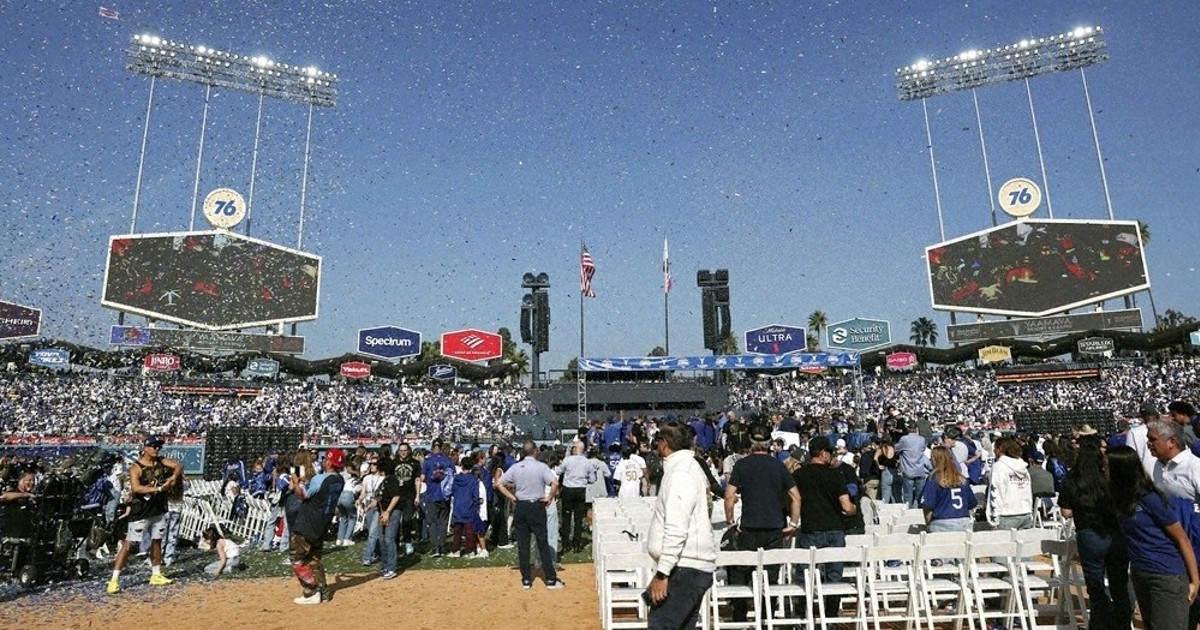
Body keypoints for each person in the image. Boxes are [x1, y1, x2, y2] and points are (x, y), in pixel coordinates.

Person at [1107, 445, 1200, 629]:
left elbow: (1182, 539)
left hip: (1166, 576)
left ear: (1120, 470)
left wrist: (1195, 580)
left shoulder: (1150, 498)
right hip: (1141, 574)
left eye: (1106, 466)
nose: (1103, 470)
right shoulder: (1121, 500)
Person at [724, 424, 801, 623]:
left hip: (749, 527)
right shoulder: (778, 465)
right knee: (771, 577)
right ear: (769, 444)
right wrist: (793, 523)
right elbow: (795, 496)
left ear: (750, 443)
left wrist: (731, 522)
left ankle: (739, 615)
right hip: (774, 528)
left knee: (740, 572)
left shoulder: (742, 465)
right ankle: (767, 618)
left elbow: (729, 496)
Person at [646, 420, 718, 630]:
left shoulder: (681, 473)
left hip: (685, 566)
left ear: (665, 443)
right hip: (688, 565)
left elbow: (677, 528)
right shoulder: (688, 467)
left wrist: (662, 573)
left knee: (661, 625)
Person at [1057, 434, 1131, 630]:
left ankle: (1101, 624)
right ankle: (1123, 624)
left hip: (1088, 533)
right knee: (1119, 584)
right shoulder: (1107, 474)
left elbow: (1066, 512)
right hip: (1114, 532)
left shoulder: (1072, 478)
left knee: (1095, 586)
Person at [106, 436, 183, 595]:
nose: (157, 449)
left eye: (158, 447)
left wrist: (172, 478)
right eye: (154, 446)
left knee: (157, 541)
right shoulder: (137, 467)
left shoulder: (161, 461)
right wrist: (160, 489)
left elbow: (178, 466)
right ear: (146, 448)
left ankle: (156, 574)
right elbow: (136, 488)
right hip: (141, 510)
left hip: (158, 508)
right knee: (129, 544)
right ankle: (114, 579)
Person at [792, 435, 855, 615]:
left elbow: (791, 501)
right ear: (822, 453)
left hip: (810, 528)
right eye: (829, 452)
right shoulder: (834, 474)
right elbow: (846, 505)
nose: (831, 456)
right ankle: (831, 616)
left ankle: (803, 616)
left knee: (804, 575)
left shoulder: (799, 475)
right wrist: (852, 510)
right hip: (834, 528)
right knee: (834, 576)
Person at [495, 441, 564, 589]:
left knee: (523, 545)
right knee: (542, 543)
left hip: (521, 506)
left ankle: (526, 579)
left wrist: (512, 497)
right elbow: (555, 483)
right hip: (537, 506)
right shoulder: (541, 467)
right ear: (535, 451)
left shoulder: (516, 467)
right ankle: (550, 579)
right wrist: (550, 497)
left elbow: (499, 483)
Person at [290, 448, 347, 605]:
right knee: (314, 559)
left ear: (328, 462)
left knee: (297, 559)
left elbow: (303, 495)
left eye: (324, 459)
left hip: (307, 522)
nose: (322, 461)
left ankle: (312, 590)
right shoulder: (340, 480)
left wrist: (295, 482)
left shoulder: (320, 478)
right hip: (322, 524)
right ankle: (324, 592)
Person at [921, 446, 977, 533]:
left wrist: (929, 525)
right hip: (964, 523)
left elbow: (928, 506)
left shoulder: (934, 479)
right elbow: (972, 503)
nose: (929, 460)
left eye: (931, 457)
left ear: (936, 459)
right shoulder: (962, 478)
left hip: (941, 523)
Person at [986, 436, 1033, 530]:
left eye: (995, 448)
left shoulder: (998, 467)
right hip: (1025, 513)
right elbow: (1028, 492)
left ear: (1000, 449)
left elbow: (996, 494)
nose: (994, 451)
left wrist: (993, 520)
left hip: (1007, 515)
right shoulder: (1023, 467)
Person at [557, 440, 596, 553]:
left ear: (575, 449)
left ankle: (565, 544)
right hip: (580, 489)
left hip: (568, 489)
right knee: (578, 518)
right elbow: (593, 479)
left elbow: (559, 471)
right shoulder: (587, 462)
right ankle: (577, 544)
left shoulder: (568, 460)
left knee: (566, 518)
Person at [421, 438, 454, 558]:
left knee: (432, 522)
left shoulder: (428, 461)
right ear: (441, 446)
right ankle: (442, 546)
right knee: (443, 522)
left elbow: (423, 477)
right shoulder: (448, 461)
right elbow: (452, 477)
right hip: (445, 495)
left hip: (432, 495)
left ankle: (435, 547)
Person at [392, 443, 421, 557]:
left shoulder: (415, 463)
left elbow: (417, 479)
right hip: (396, 495)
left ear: (409, 451)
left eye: (405, 450)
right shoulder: (394, 463)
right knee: (395, 521)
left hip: (409, 495)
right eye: (401, 450)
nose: (403, 452)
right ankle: (396, 544)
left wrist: (417, 495)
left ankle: (408, 541)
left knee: (407, 519)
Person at [375, 458, 402, 579]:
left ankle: (392, 567)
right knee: (382, 539)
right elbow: (380, 497)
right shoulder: (385, 480)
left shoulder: (391, 479)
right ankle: (385, 565)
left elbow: (396, 496)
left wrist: (388, 512)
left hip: (392, 512)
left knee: (389, 539)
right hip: (382, 511)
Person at [896, 420, 931, 508]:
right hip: (920, 470)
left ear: (908, 428)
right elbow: (922, 450)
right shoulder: (921, 439)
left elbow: (896, 449)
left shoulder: (904, 439)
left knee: (908, 495)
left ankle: (909, 514)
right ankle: (919, 512)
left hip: (908, 470)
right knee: (919, 495)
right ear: (916, 429)